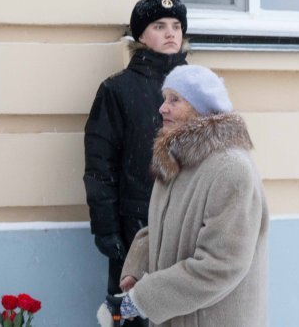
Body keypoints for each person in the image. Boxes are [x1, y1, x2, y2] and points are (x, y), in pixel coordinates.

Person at [112, 65, 268, 326]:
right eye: (164, 98)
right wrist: (138, 267)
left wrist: (143, 299)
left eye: (175, 100)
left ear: (201, 108)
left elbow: (220, 265)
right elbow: (163, 226)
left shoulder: (231, 169)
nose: (163, 108)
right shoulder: (177, 160)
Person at [83, 0, 189, 325]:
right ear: (141, 36)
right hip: (136, 230)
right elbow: (100, 165)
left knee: (183, 314)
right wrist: (107, 231)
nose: (171, 33)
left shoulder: (199, 89)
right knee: (130, 315)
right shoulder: (118, 90)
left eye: (176, 26)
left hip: (188, 227)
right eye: (159, 26)